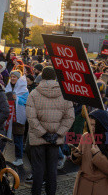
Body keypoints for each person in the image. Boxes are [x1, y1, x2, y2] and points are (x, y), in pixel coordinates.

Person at [26, 66, 75, 195]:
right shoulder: (64, 95)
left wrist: (43, 133)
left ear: (42, 77)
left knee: (38, 170)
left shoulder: (34, 93)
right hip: (55, 139)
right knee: (52, 170)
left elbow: (31, 117)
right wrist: (58, 133)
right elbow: (69, 117)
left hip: (38, 138)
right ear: (55, 77)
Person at [71, 110, 108, 195]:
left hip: (105, 188)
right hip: (84, 187)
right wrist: (76, 156)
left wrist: (97, 155)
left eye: (94, 125)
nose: (91, 127)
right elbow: (81, 161)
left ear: (102, 125)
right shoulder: (85, 137)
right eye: (89, 124)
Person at [5, 70, 29, 166]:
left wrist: (16, 99)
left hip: (19, 118)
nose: (13, 78)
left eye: (15, 77)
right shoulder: (8, 87)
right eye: (11, 76)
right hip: (9, 117)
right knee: (11, 138)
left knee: (18, 138)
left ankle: (19, 158)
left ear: (18, 78)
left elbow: (26, 102)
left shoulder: (24, 90)